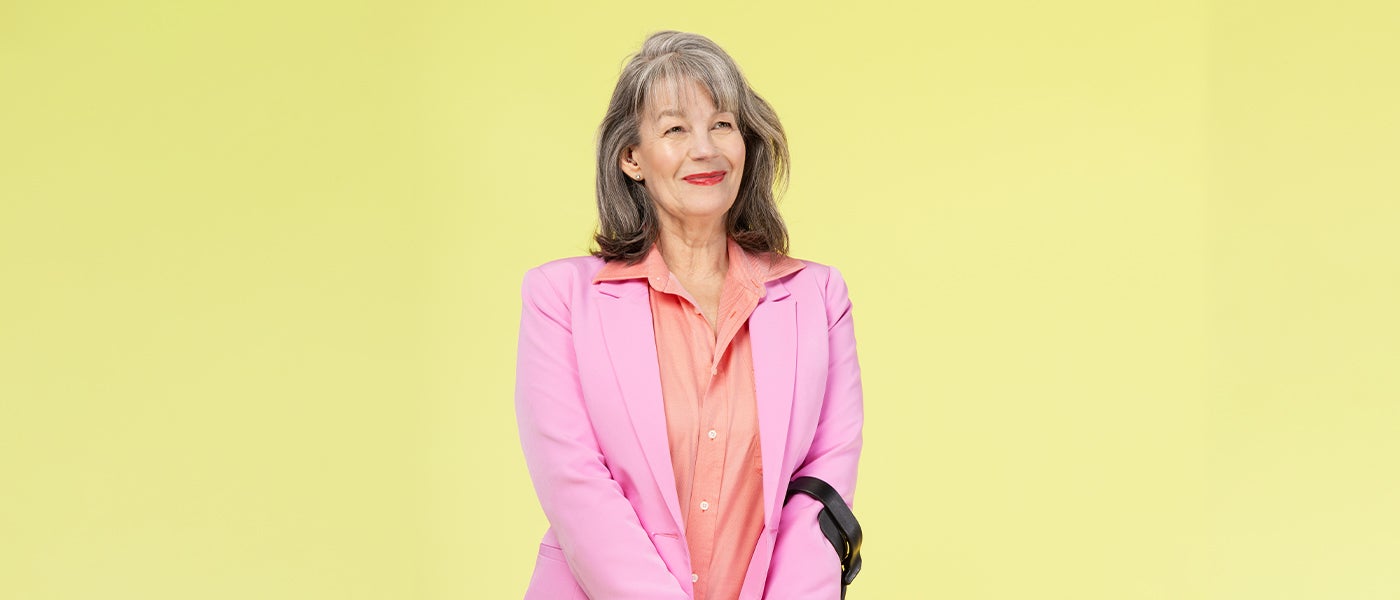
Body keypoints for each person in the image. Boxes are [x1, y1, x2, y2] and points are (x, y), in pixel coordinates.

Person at [514, 30, 864, 599]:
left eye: (722, 124)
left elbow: (823, 483)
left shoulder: (817, 296)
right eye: (675, 129)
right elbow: (575, 487)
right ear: (632, 157)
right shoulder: (559, 298)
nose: (705, 149)